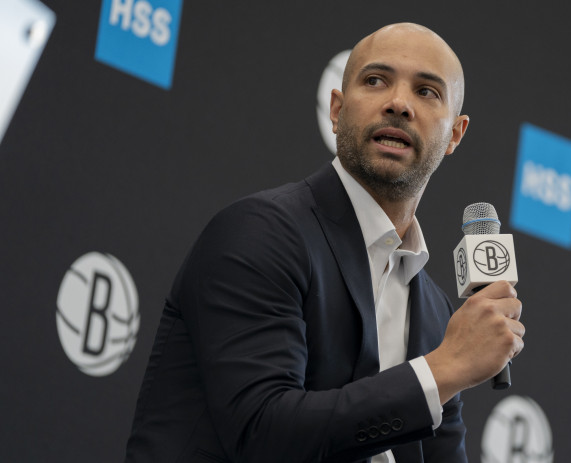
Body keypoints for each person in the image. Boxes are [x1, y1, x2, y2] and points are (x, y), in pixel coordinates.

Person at [125, 23, 524, 463]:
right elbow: (263, 432)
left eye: (427, 91)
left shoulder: (433, 311)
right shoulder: (260, 232)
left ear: (455, 135)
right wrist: (443, 369)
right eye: (375, 81)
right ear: (336, 110)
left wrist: (443, 367)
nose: (398, 104)